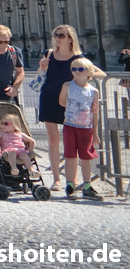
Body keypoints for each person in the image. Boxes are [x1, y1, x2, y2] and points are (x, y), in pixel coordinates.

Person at [37, 25, 106, 191]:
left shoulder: (78, 57)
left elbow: (100, 73)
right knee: (53, 141)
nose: (57, 38)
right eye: (55, 35)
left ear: (70, 38)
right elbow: (41, 74)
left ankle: (72, 180)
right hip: (49, 99)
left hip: (72, 104)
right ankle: (56, 180)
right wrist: (42, 67)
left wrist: (82, 75)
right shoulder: (48, 54)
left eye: (61, 35)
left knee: (72, 144)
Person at [59, 57, 102, 200]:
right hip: (70, 125)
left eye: (80, 69)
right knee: (70, 156)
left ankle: (87, 186)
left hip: (86, 127)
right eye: (74, 69)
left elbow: (95, 113)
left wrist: (95, 132)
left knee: (85, 157)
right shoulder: (67, 85)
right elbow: (62, 101)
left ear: (89, 72)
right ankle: (69, 184)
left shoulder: (93, 91)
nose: (76, 72)